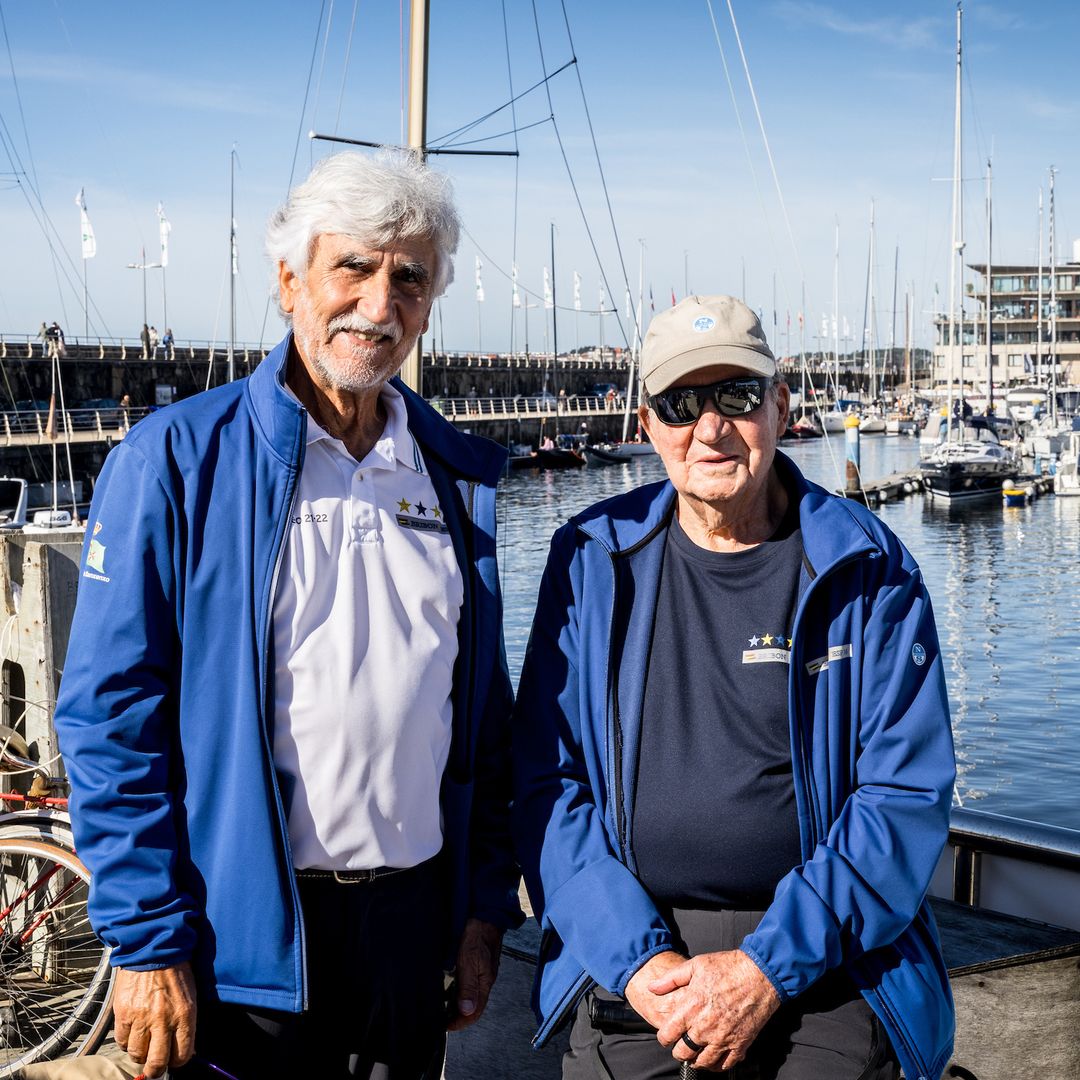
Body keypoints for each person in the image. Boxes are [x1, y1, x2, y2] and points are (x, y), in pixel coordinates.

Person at [54, 149, 522, 1080]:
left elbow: (484, 723)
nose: (379, 304)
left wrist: (481, 913)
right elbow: (109, 721)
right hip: (242, 939)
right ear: (289, 279)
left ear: (430, 304)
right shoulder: (174, 463)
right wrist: (147, 942)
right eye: (353, 266)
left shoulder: (455, 477)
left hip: (410, 927)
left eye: (410, 278)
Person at [513, 295, 956, 1080]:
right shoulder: (589, 563)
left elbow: (903, 797)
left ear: (781, 408)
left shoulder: (870, 570)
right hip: (637, 958)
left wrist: (763, 970)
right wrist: (635, 964)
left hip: (827, 962)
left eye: (737, 397)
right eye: (681, 403)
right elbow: (548, 782)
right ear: (645, 425)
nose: (709, 427)